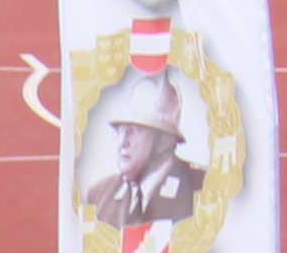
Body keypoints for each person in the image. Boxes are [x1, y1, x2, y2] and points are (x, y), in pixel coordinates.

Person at [79, 75, 205, 230]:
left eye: (134, 131)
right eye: (121, 130)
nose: (123, 142)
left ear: (165, 141)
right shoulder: (100, 195)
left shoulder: (201, 188)